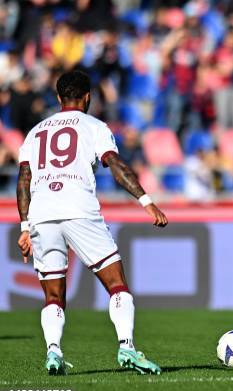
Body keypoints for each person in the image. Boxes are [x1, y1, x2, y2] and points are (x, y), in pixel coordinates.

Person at [16, 71, 168, 375]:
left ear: (59, 99)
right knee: (116, 284)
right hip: (79, 210)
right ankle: (126, 345)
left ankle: (54, 352)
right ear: (88, 97)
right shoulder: (95, 126)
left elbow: (24, 180)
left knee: (53, 295)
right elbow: (116, 165)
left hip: (42, 215)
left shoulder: (35, 132)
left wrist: (24, 227)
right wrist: (146, 201)